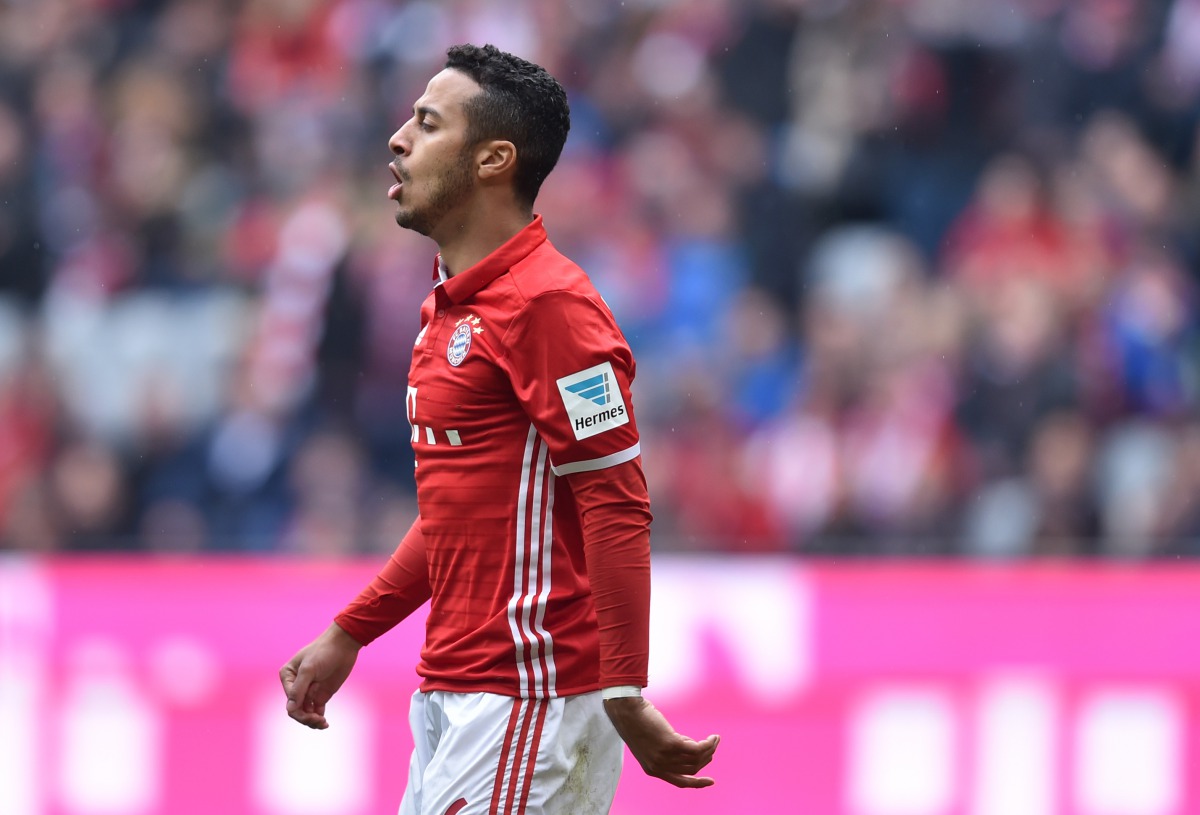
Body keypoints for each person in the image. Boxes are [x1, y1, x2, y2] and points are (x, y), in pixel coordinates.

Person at [279, 44, 720, 815]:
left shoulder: (551, 308)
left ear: (493, 159)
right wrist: (353, 630)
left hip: (531, 697)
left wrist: (623, 687)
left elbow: (615, 503)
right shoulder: (451, 308)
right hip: (457, 692)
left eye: (426, 122)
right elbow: (462, 513)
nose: (398, 139)